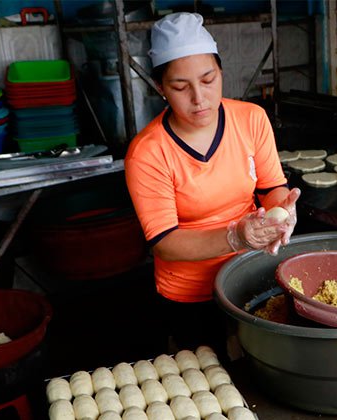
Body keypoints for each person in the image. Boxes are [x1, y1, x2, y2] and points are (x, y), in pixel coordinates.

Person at [124, 12, 301, 358]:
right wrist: (234, 236)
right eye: (180, 87)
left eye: (208, 80)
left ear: (221, 72)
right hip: (191, 294)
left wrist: (284, 211)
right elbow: (164, 242)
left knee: (265, 364)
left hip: (251, 274)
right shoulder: (147, 153)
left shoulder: (251, 119)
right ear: (160, 88)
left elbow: (271, 188)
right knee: (213, 380)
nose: (199, 98)